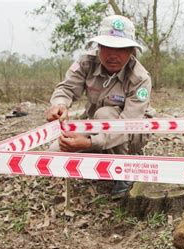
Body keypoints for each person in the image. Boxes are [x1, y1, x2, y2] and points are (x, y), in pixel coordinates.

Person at [45, 15, 155, 197]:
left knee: (105, 114)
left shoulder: (140, 78)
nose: (113, 55)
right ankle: (103, 160)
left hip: (130, 132)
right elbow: (66, 88)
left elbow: (128, 123)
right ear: (99, 47)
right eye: (108, 47)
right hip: (95, 126)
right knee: (55, 151)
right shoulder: (86, 63)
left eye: (121, 49)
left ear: (131, 51)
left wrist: (89, 142)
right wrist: (60, 105)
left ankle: (125, 168)